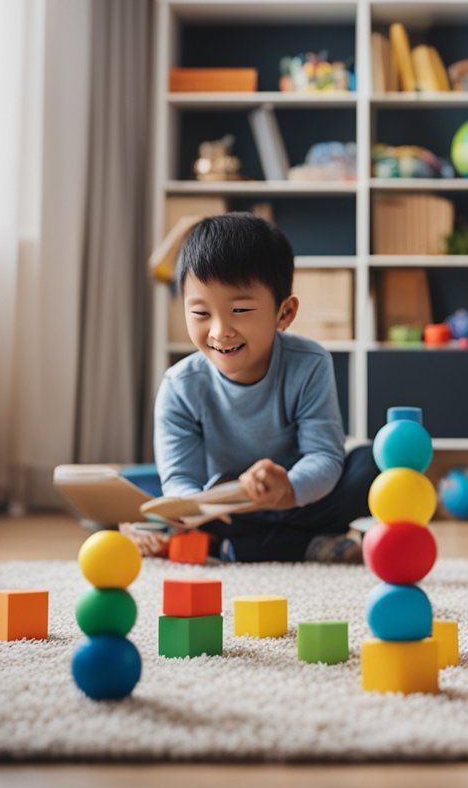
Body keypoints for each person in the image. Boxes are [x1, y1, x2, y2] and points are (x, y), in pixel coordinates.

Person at [121, 213, 376, 563]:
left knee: (369, 464)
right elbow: (181, 481)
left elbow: (324, 457)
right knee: (128, 499)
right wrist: (191, 508)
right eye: (200, 313)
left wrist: (286, 487)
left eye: (240, 309)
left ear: (284, 313)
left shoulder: (309, 364)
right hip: (223, 512)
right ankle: (301, 546)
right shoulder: (180, 386)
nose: (219, 331)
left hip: (299, 501)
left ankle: (241, 548)